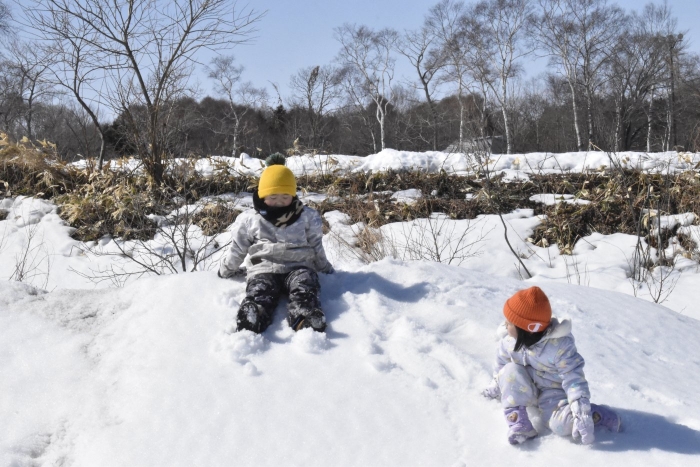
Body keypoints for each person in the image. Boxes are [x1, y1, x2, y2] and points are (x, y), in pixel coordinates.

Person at [482, 286, 621, 445]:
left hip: (553, 393)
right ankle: (520, 423)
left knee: (560, 425)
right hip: (524, 388)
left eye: (511, 322)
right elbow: (502, 366)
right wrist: (497, 384)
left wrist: (580, 407)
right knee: (510, 370)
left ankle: (593, 415)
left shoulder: (559, 347)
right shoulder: (509, 342)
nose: (505, 324)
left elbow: (573, 377)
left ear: (527, 330)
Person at [218, 154, 334, 333]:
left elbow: (316, 245)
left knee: (305, 286)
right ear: (262, 194)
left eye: (285, 196)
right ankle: (254, 315)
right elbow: (238, 248)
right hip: (264, 268)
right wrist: (227, 268)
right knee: (260, 290)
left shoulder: (306, 216)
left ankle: (304, 315)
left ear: (293, 195)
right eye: (273, 196)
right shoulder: (251, 219)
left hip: (298, 266)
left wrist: (324, 267)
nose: (279, 202)